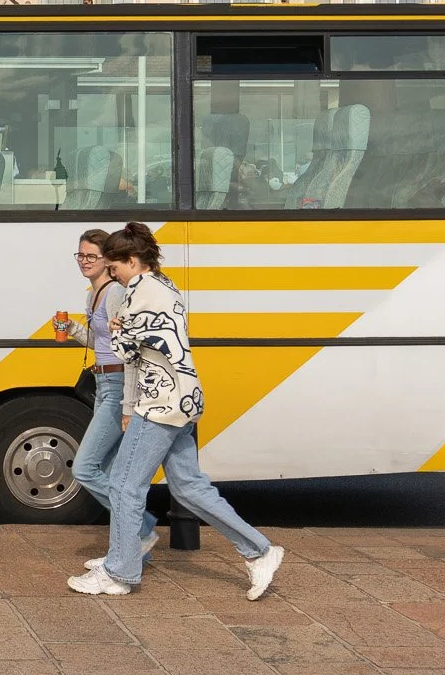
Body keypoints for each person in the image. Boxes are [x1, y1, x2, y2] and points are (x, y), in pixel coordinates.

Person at [68, 225, 285, 601]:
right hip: (179, 397)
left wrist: (119, 332)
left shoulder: (143, 295)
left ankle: (120, 573)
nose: (111, 271)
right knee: (189, 486)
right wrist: (126, 399)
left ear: (131, 262)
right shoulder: (162, 285)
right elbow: (141, 352)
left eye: (115, 264)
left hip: (161, 402)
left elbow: (124, 352)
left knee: (122, 484)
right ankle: (261, 551)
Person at [52, 229, 127, 505]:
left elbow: (125, 342)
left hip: (118, 384)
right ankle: (128, 543)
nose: (84, 261)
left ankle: (140, 526)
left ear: (107, 259)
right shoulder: (92, 295)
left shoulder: (116, 292)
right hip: (103, 383)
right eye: (80, 255)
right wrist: (72, 328)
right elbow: (100, 342)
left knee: (85, 467)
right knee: (107, 467)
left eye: (91, 256)